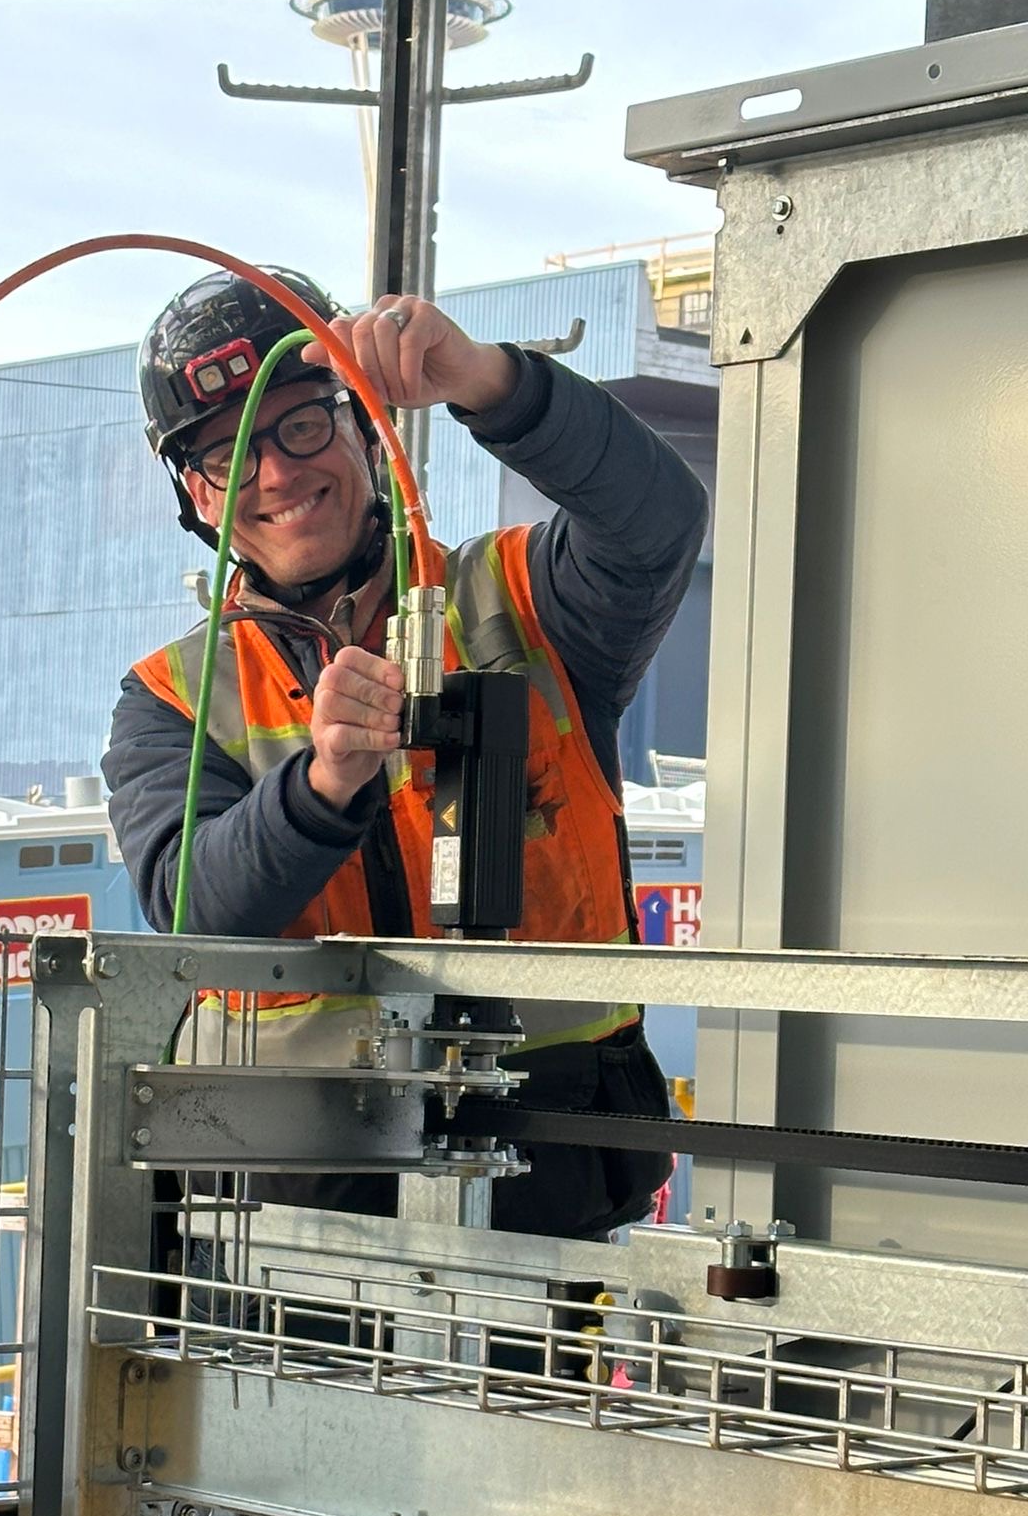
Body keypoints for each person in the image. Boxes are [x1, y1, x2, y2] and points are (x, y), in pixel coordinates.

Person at [102, 267, 708, 1238]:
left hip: (545, 1203)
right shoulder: (171, 698)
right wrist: (321, 784)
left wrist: (490, 382)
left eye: (303, 424)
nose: (275, 474)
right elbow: (196, 903)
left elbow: (658, 520)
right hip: (286, 1239)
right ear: (197, 497)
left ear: (366, 430)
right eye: (227, 454)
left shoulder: (529, 601)